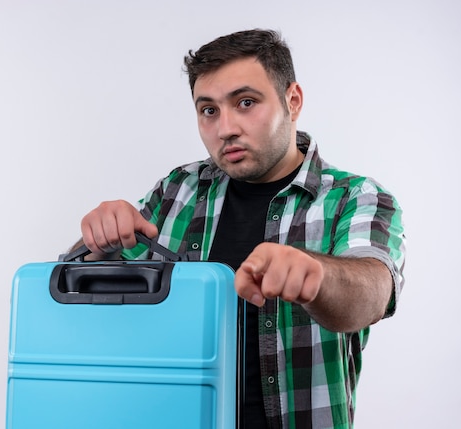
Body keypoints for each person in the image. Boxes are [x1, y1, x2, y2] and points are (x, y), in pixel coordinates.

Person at [73, 29, 406, 429]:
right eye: (209, 110)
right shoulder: (179, 189)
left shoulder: (356, 197)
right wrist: (100, 240)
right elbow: (85, 283)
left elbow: (372, 292)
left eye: (245, 102)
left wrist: (317, 276)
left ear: (292, 101)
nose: (225, 127)